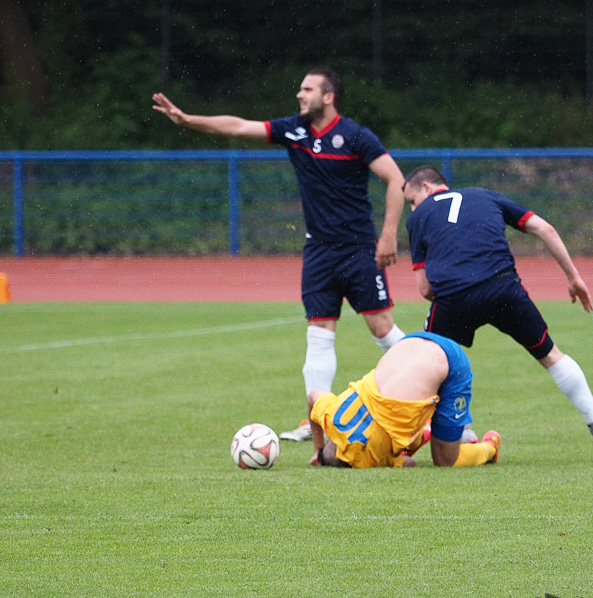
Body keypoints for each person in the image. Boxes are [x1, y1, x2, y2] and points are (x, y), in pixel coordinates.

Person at [152, 67, 406, 442]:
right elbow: (239, 127)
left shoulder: (355, 136)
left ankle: (432, 386)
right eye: (300, 89)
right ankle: (319, 424)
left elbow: (396, 180)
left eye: (308, 89)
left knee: (381, 328)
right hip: (318, 251)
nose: (300, 95)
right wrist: (188, 120)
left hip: (358, 249)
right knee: (318, 334)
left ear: (329, 97)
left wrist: (388, 235)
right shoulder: (294, 130)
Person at [402, 165, 593, 456]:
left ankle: (463, 432)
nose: (413, 208)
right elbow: (545, 228)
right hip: (504, 289)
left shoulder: (419, 218)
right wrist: (573, 277)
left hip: (455, 298)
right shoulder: (485, 195)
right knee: (551, 355)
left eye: (412, 200)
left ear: (426, 187)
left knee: (436, 362)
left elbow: (425, 289)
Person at [308, 331, 501, 468]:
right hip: (411, 342)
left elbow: (409, 463)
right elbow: (313, 396)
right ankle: (421, 434)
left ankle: (490, 449)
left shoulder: (368, 458)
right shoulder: (331, 415)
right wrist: (318, 450)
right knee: (395, 418)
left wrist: (393, 460)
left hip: (450, 362)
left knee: (446, 460)